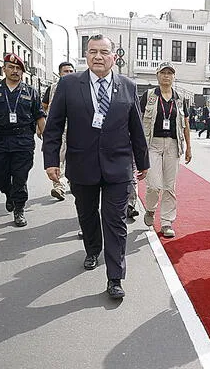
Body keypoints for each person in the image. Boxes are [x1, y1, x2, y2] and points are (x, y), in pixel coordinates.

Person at [43, 34, 150, 299]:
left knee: (115, 221)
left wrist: (143, 161)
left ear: (115, 57)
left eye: (104, 52)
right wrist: (51, 160)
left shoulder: (127, 85)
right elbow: (54, 125)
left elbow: (136, 127)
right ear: (86, 55)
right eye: (93, 52)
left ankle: (115, 277)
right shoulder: (69, 84)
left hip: (119, 166)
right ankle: (92, 249)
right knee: (87, 214)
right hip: (82, 164)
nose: (98, 57)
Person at [0, 53, 46, 227]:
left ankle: (19, 209)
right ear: (4, 68)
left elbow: (39, 116)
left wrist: (48, 139)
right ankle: (8, 193)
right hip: (0, 140)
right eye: (11, 67)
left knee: (20, 177)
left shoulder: (30, 92)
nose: (15, 71)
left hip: (23, 141)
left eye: (18, 68)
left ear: (22, 72)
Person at [140, 61, 192, 238]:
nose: (166, 76)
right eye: (163, 73)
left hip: (173, 144)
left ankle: (167, 222)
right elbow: (138, 121)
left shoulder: (179, 99)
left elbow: (185, 123)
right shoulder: (148, 96)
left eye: (170, 73)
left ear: (173, 76)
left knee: (170, 186)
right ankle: (150, 209)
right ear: (157, 75)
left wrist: (189, 147)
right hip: (152, 143)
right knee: (154, 185)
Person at [41, 61, 75, 201]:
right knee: (58, 158)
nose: (68, 74)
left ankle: (74, 181)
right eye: (65, 71)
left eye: (71, 71)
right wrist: (43, 126)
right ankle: (59, 187)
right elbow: (44, 106)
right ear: (59, 73)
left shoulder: (78, 88)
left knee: (75, 159)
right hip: (58, 130)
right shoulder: (52, 88)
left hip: (74, 129)